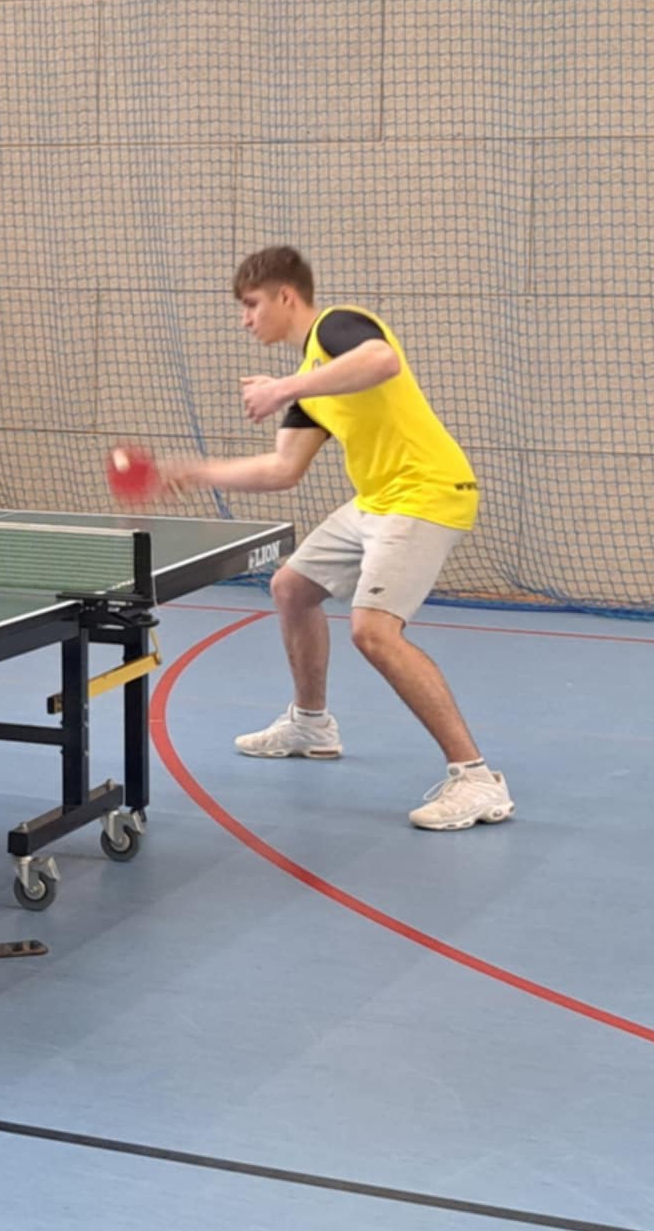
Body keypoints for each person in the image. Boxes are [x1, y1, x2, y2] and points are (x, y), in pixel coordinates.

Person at [163, 245, 510, 832]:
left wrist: (281, 389)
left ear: (286, 296)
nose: (245, 320)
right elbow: (282, 470)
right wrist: (196, 472)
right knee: (292, 588)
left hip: (426, 493)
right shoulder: (310, 383)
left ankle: (476, 778)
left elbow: (381, 360)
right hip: (377, 500)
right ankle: (311, 725)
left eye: (251, 305)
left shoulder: (337, 326)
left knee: (374, 632)